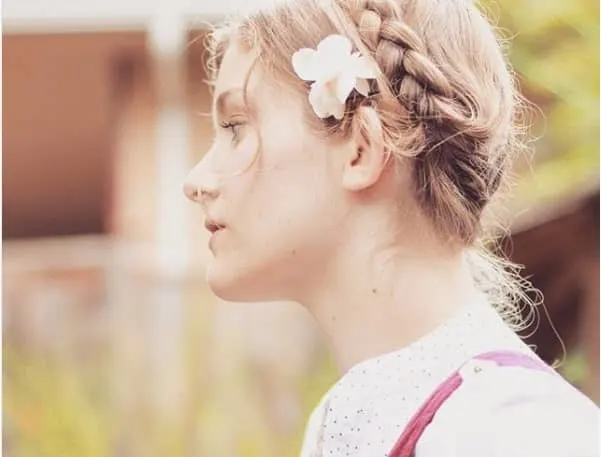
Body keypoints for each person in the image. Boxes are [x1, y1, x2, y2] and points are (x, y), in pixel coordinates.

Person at [183, 0, 599, 455]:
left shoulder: (517, 435)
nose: (196, 181)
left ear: (361, 149)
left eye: (237, 127)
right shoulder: (344, 426)